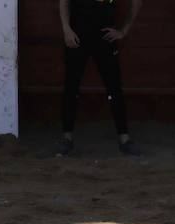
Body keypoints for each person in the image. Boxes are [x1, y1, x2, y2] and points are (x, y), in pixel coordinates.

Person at [58, 0, 143, 156]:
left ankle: (124, 138)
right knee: (71, 87)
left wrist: (124, 30)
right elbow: (64, 1)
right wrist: (66, 29)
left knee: (115, 88)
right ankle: (66, 138)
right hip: (78, 34)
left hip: (104, 37)